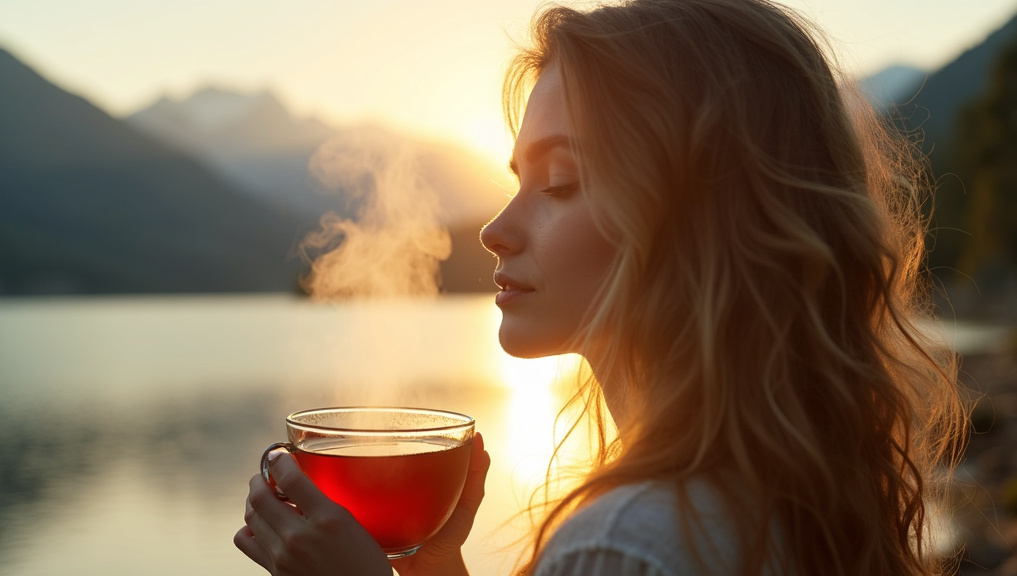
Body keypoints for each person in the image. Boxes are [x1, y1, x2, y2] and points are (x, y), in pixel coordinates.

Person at [235, 0, 967, 575]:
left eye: (560, 182)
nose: (494, 230)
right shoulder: (787, 496)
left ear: (699, 218)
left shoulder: (627, 544)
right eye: (517, 179)